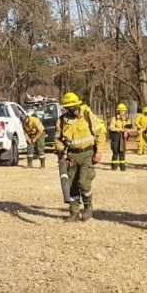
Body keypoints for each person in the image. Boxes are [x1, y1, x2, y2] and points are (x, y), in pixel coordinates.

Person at [54, 92, 106, 222]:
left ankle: (88, 205)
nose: (73, 109)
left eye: (75, 106)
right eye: (70, 107)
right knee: (71, 185)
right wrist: (60, 148)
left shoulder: (87, 115)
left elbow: (100, 134)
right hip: (71, 156)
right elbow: (57, 139)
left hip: (87, 154)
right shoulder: (62, 120)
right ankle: (74, 212)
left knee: (83, 182)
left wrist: (99, 152)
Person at [108, 103, 131, 171]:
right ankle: (114, 167)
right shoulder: (114, 118)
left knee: (122, 152)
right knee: (115, 151)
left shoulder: (127, 119)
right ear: (118, 111)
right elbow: (111, 128)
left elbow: (129, 128)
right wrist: (120, 129)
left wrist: (127, 131)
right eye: (120, 111)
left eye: (123, 111)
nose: (122, 112)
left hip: (123, 137)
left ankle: (122, 167)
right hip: (115, 136)